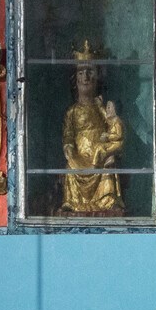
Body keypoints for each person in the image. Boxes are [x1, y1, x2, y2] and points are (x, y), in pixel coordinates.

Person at [59, 40, 125, 217]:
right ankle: (72, 201)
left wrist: (110, 142)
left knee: (108, 165)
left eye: (90, 72)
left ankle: (108, 199)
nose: (86, 77)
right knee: (70, 167)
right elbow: (68, 134)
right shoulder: (72, 112)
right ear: (76, 79)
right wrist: (69, 148)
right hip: (79, 157)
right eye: (81, 73)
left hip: (100, 156)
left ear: (97, 77)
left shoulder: (102, 107)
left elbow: (113, 126)